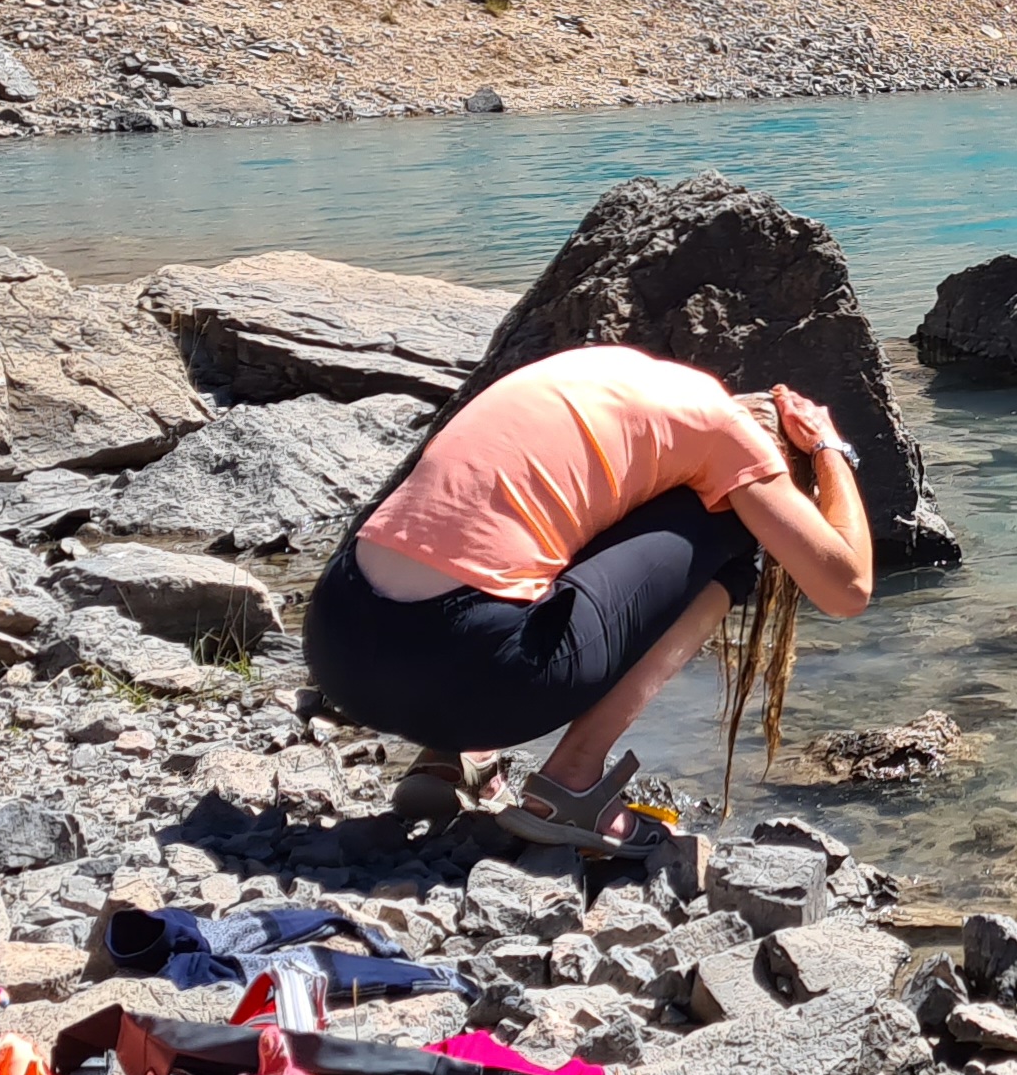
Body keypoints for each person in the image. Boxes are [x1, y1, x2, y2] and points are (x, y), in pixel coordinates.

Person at [303, 343, 874, 856]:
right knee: (729, 533)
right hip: (473, 672)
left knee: (554, 513)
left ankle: (453, 756)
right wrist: (829, 449)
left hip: (338, 646)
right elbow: (848, 588)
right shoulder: (730, 435)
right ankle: (572, 780)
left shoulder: (603, 374)